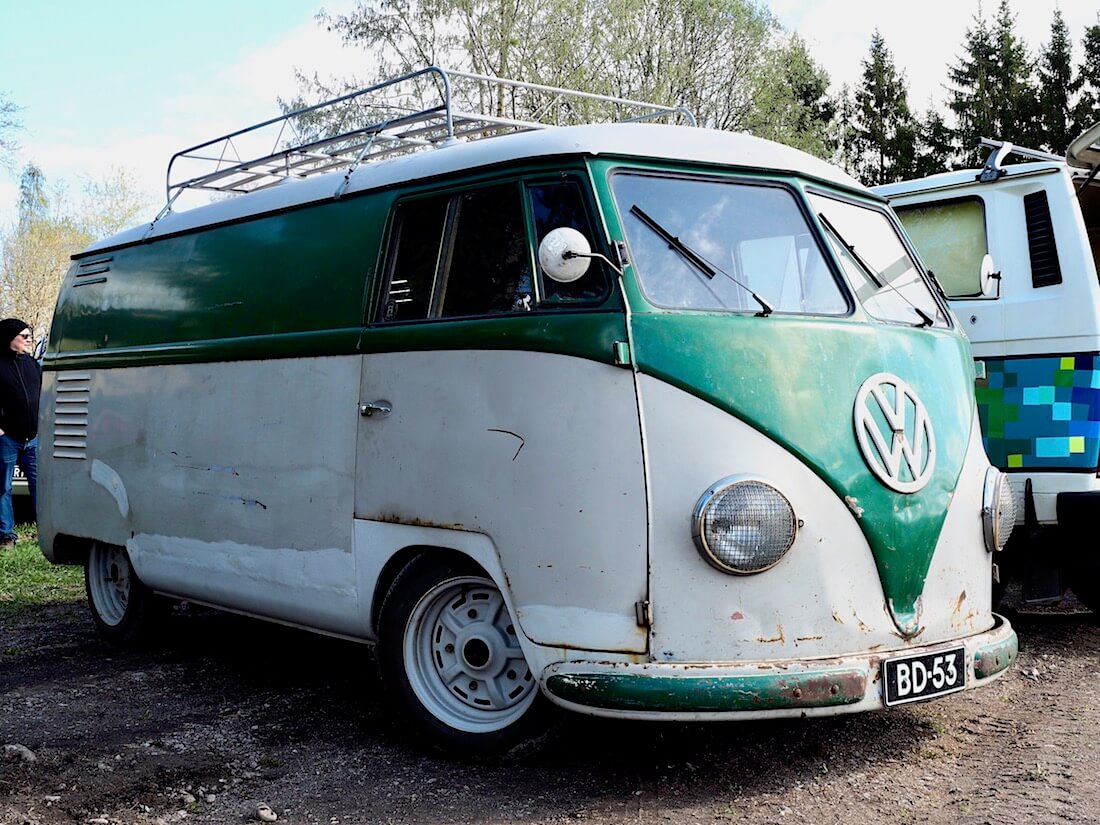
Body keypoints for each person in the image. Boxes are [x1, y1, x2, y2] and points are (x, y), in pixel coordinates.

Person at [0, 318, 40, 549]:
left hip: (33, 439)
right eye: (24, 336)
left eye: (29, 335)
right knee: (3, 488)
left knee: (39, 485)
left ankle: (45, 532)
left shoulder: (33, 364)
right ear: (10, 339)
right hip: (7, 440)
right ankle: (6, 536)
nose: (29, 339)